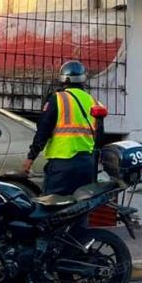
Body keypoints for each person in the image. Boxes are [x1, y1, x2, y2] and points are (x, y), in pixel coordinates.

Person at [23, 60, 102, 198]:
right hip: (86, 165)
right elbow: (100, 135)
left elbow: (43, 130)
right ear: (83, 80)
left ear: (63, 79)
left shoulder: (58, 99)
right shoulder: (93, 102)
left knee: (52, 208)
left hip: (62, 165)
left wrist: (31, 157)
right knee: (80, 207)